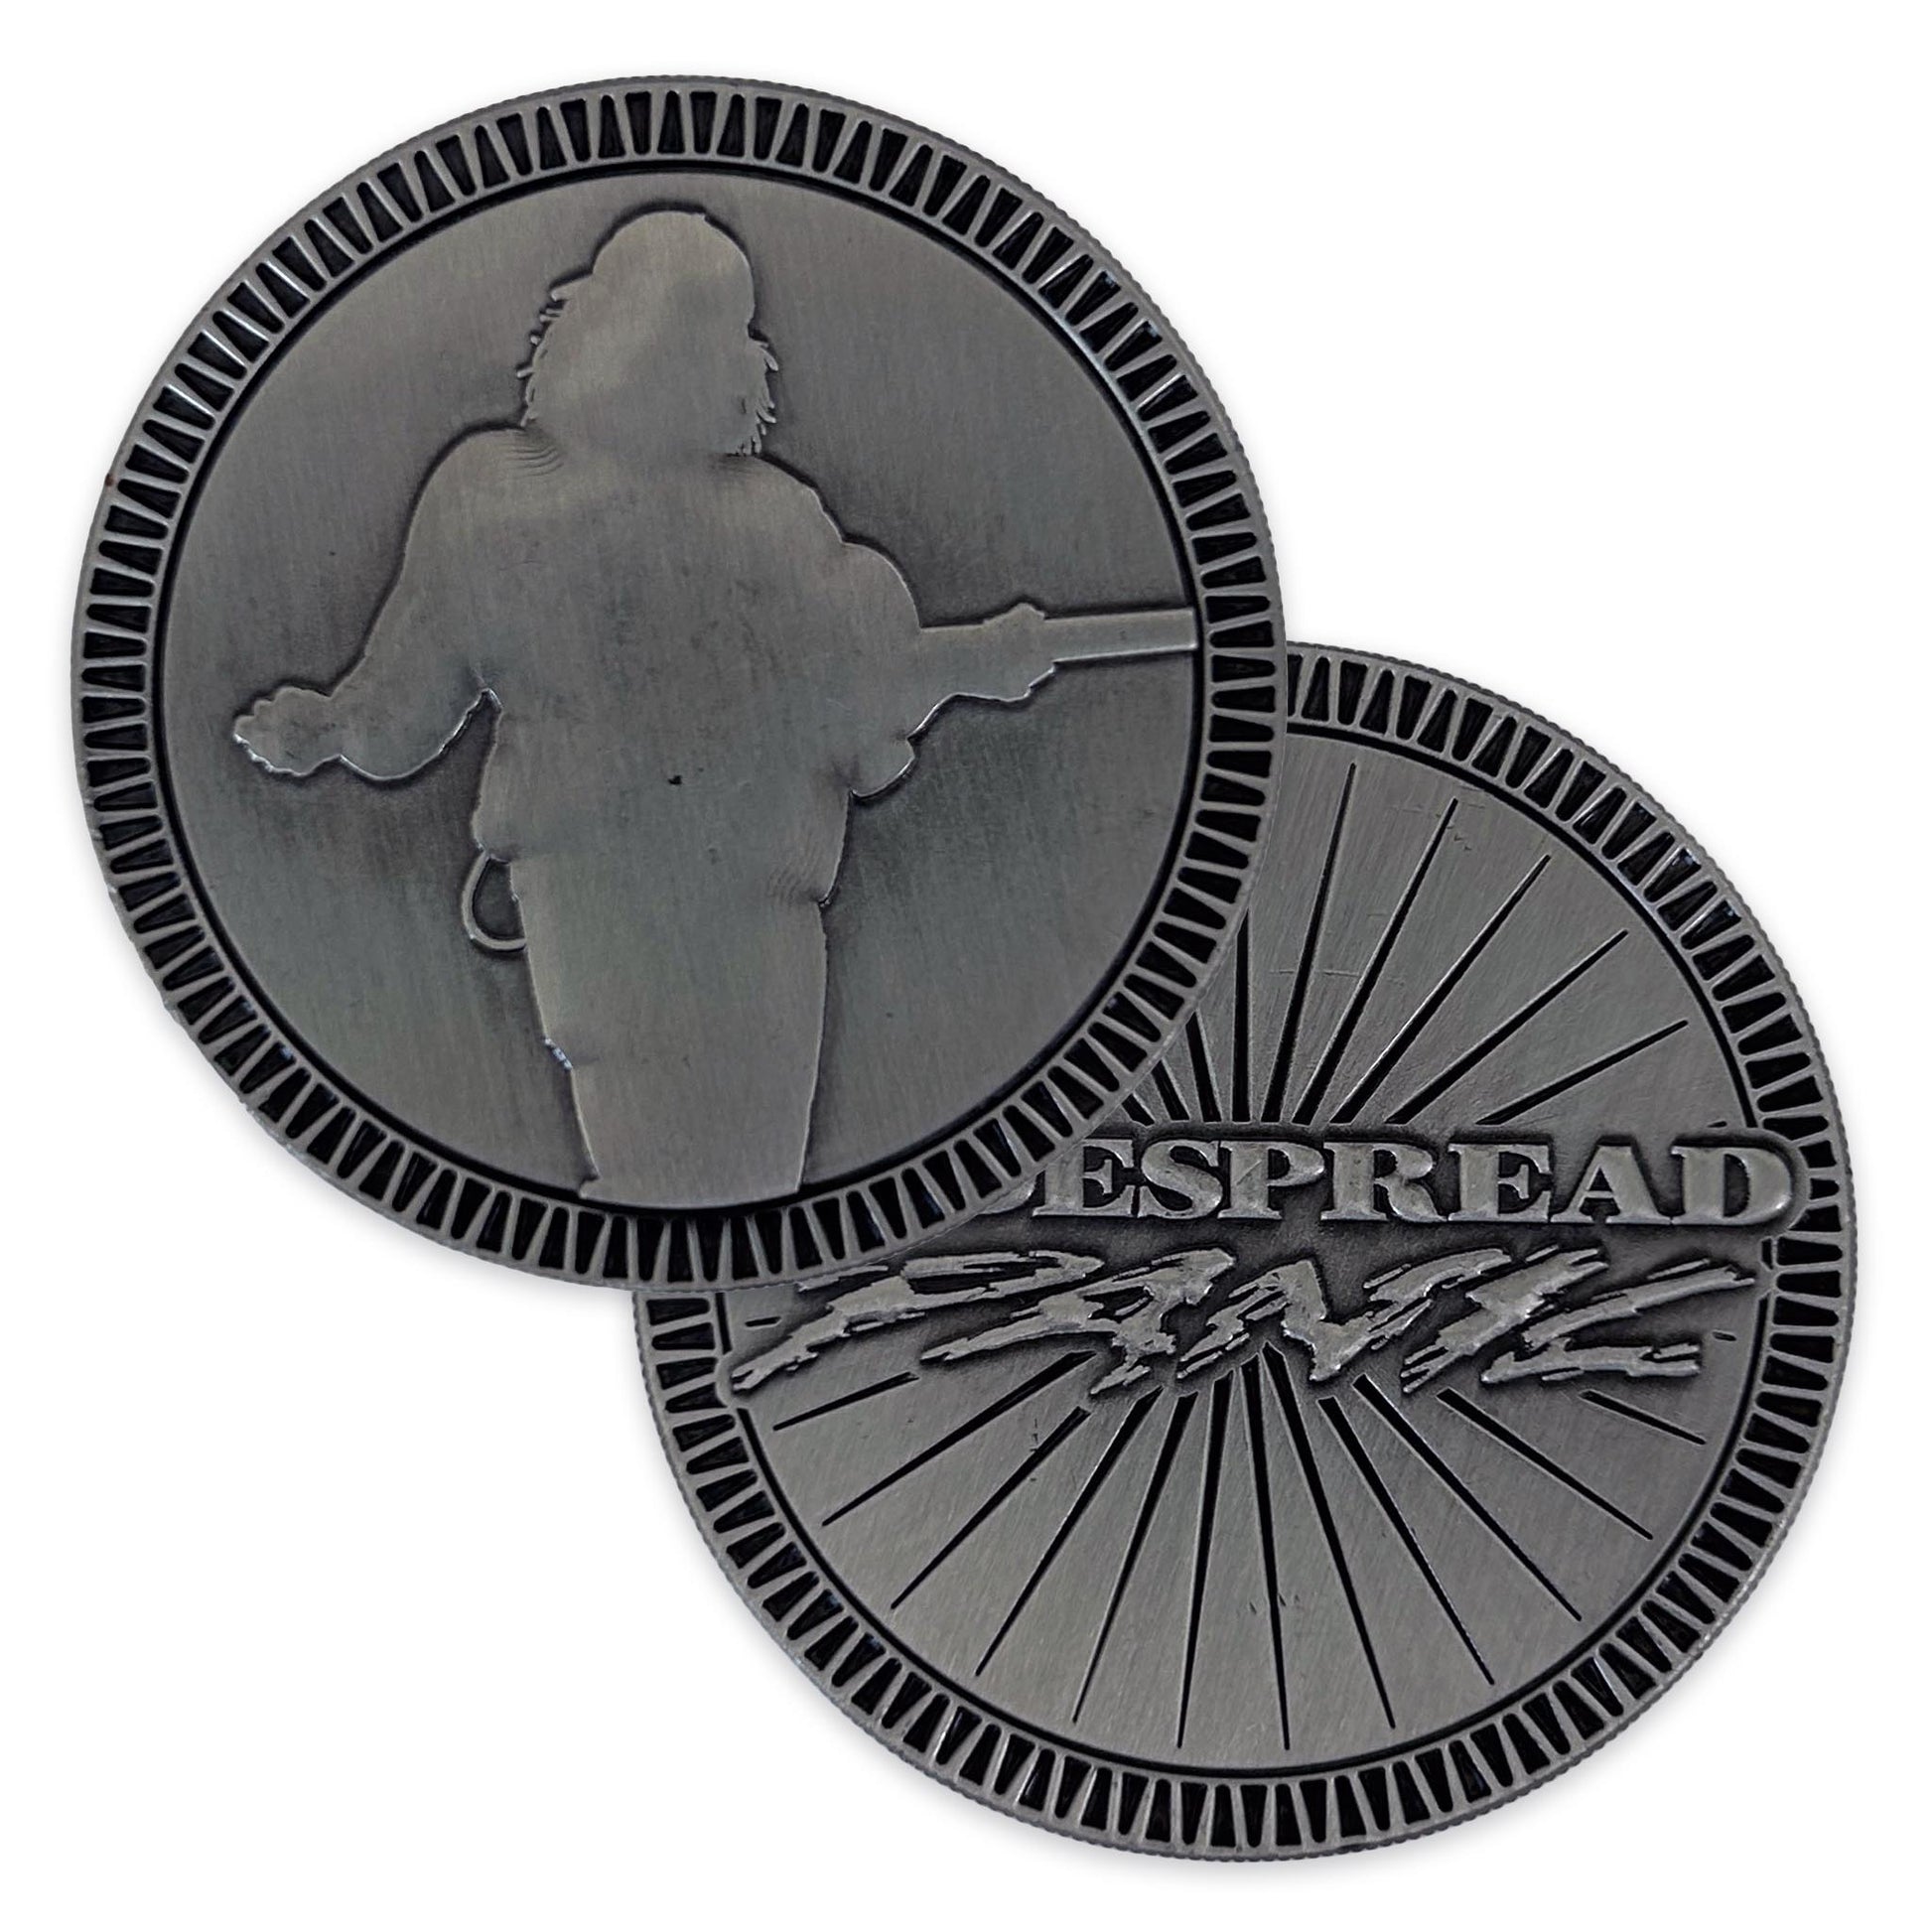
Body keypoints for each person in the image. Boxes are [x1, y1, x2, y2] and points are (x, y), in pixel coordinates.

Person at [234, 209, 1191, 1207]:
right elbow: (865, 693)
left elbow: (396, 723)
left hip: (671, 895)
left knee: (710, 1179)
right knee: (710, 1176)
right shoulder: (706, 516)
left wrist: (330, 727)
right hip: (662, 899)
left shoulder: (549, 502)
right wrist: (977, 661)